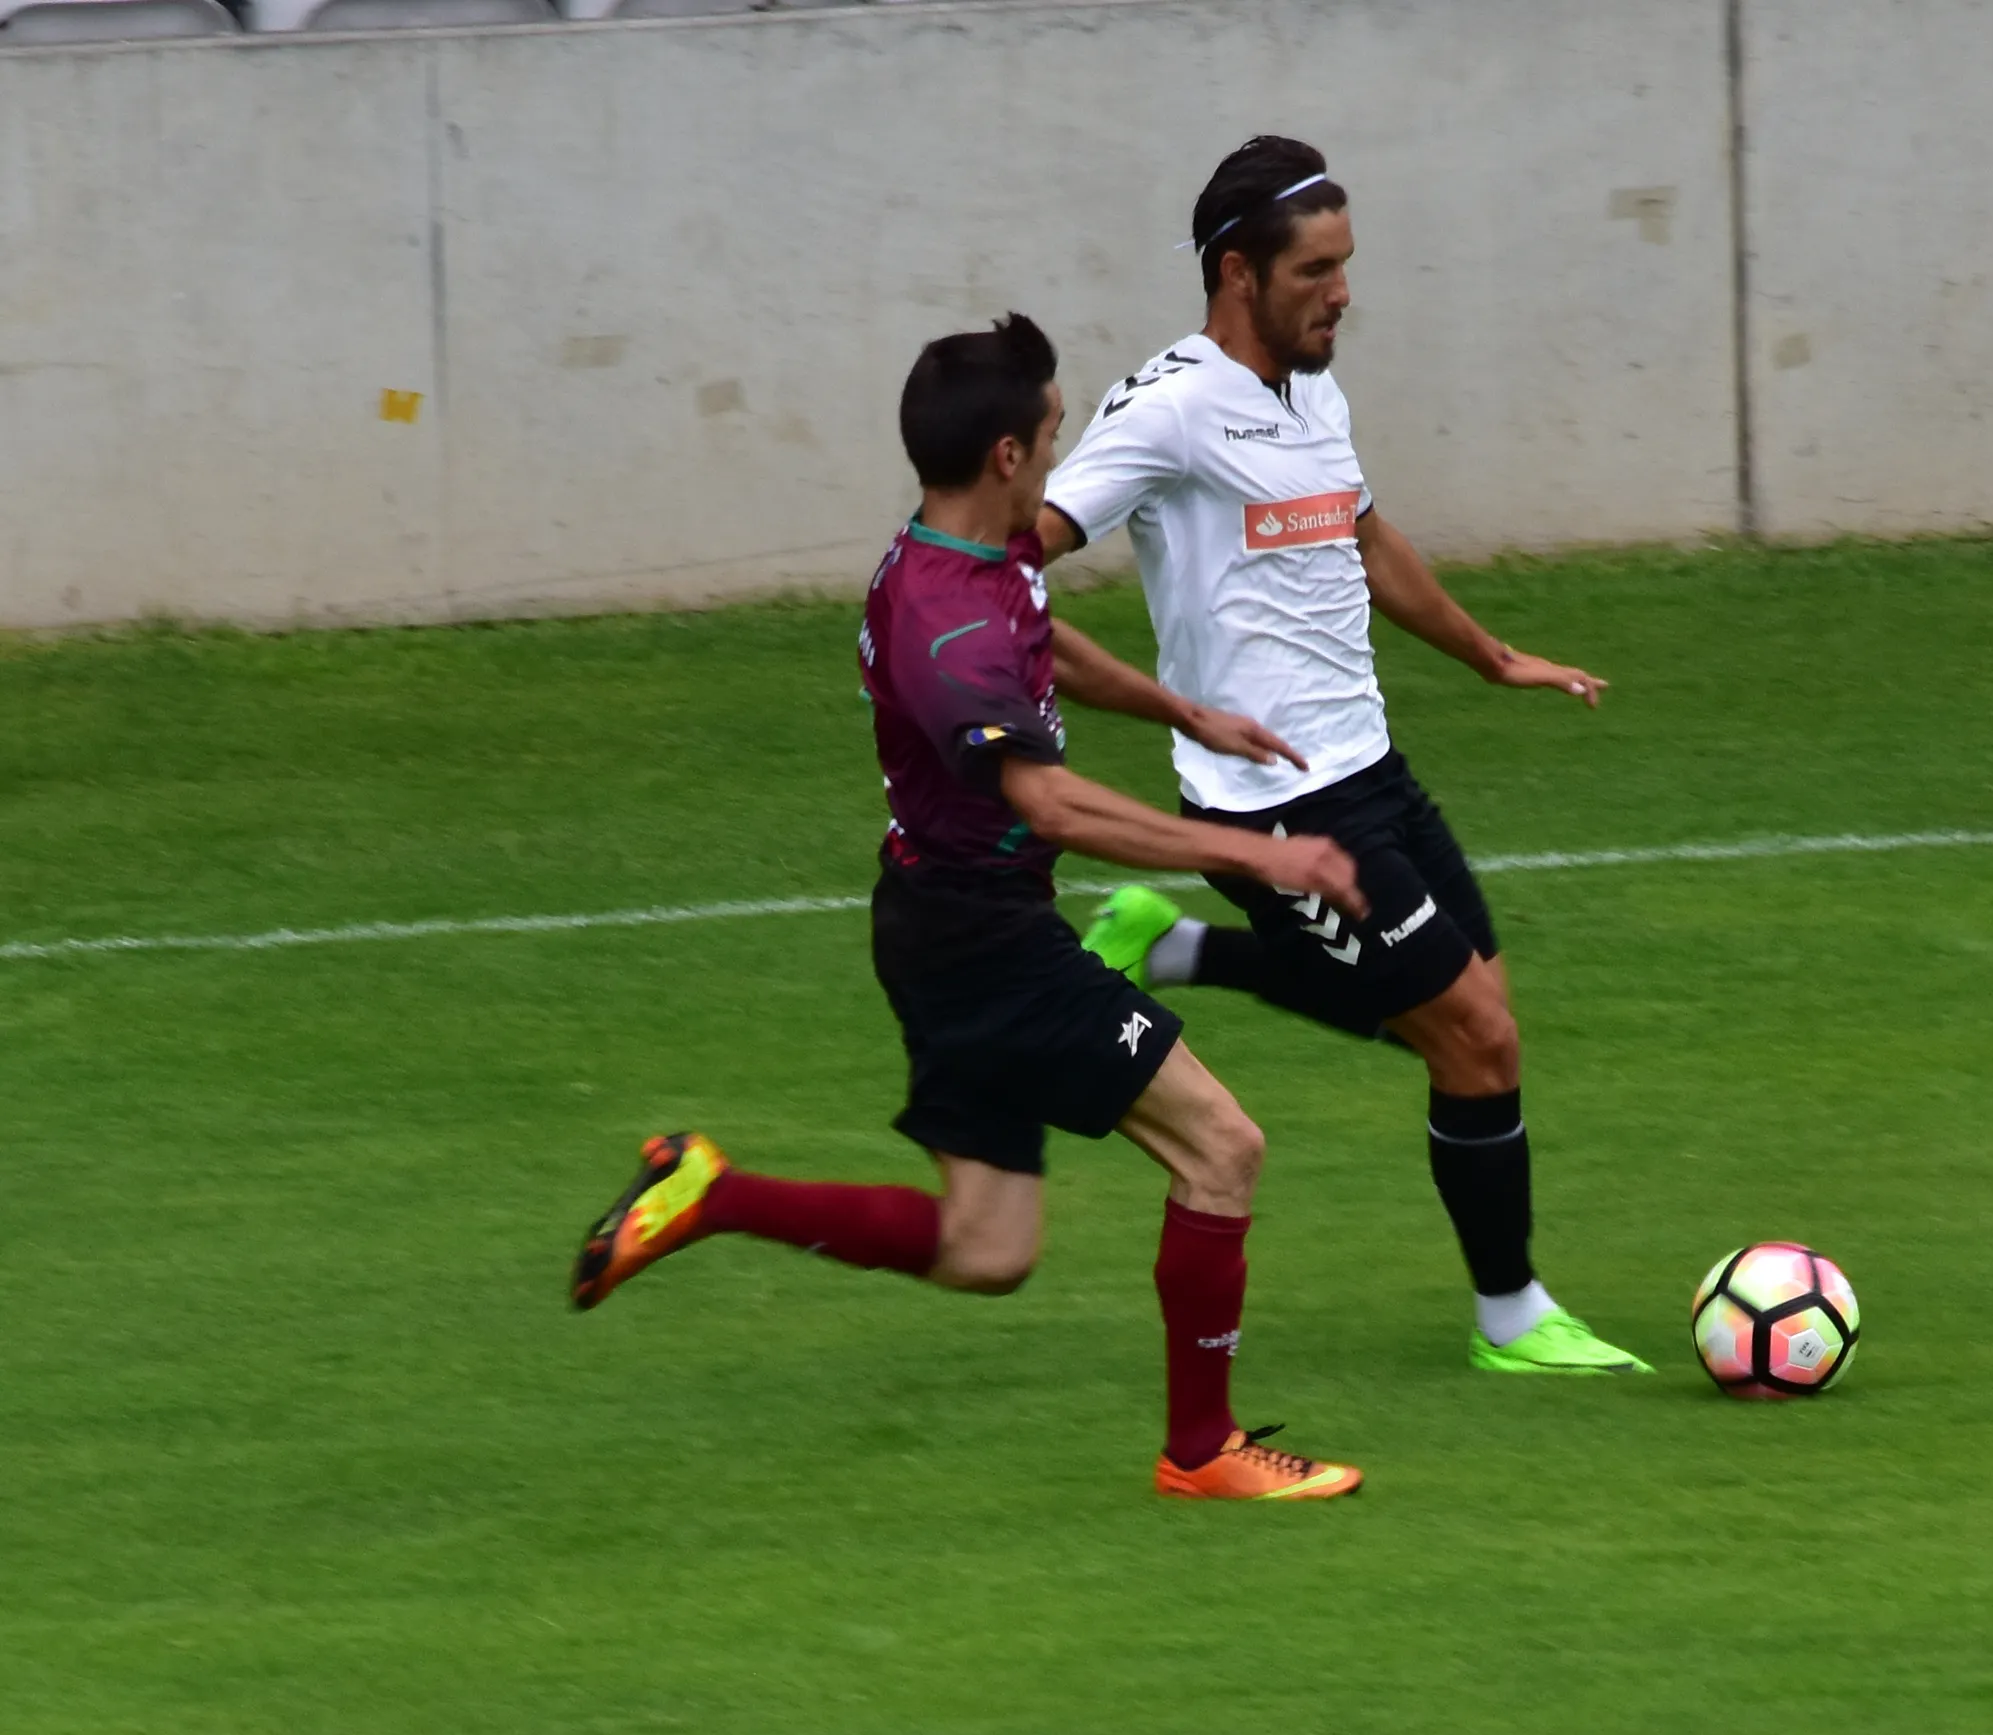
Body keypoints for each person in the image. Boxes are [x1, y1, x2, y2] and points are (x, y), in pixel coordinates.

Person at [571, 313, 1368, 1500]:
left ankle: (709, 1194)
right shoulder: (944, 626)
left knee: (986, 1250)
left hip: (937, 925)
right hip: (986, 942)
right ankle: (1202, 1451)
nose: (1057, 453)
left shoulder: (977, 555)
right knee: (1223, 1147)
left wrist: (1182, 712)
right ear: (1006, 454)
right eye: (1051, 434)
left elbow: (1040, 635)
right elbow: (1048, 802)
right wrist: (1256, 856)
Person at [1034, 137, 1652, 1376]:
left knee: (1475, 1019)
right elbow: (1000, 573)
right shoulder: (1166, 410)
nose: (1342, 294)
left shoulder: (1312, 389)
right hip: (1271, 805)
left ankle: (1178, 949)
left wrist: (1490, 658)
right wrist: (1163, 707)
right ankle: (1511, 1319)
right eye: (1315, 271)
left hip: (1369, 769)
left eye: (1345, 265)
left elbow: (1367, 543)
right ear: (1236, 272)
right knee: (1472, 1037)